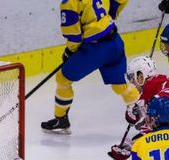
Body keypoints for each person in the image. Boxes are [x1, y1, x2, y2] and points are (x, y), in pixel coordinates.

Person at [41, 0, 139, 134]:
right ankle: (145, 115)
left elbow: (74, 37)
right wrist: (109, 16)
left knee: (63, 79)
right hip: (115, 42)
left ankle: (61, 119)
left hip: (96, 50)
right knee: (120, 85)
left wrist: (69, 52)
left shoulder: (69, 3)